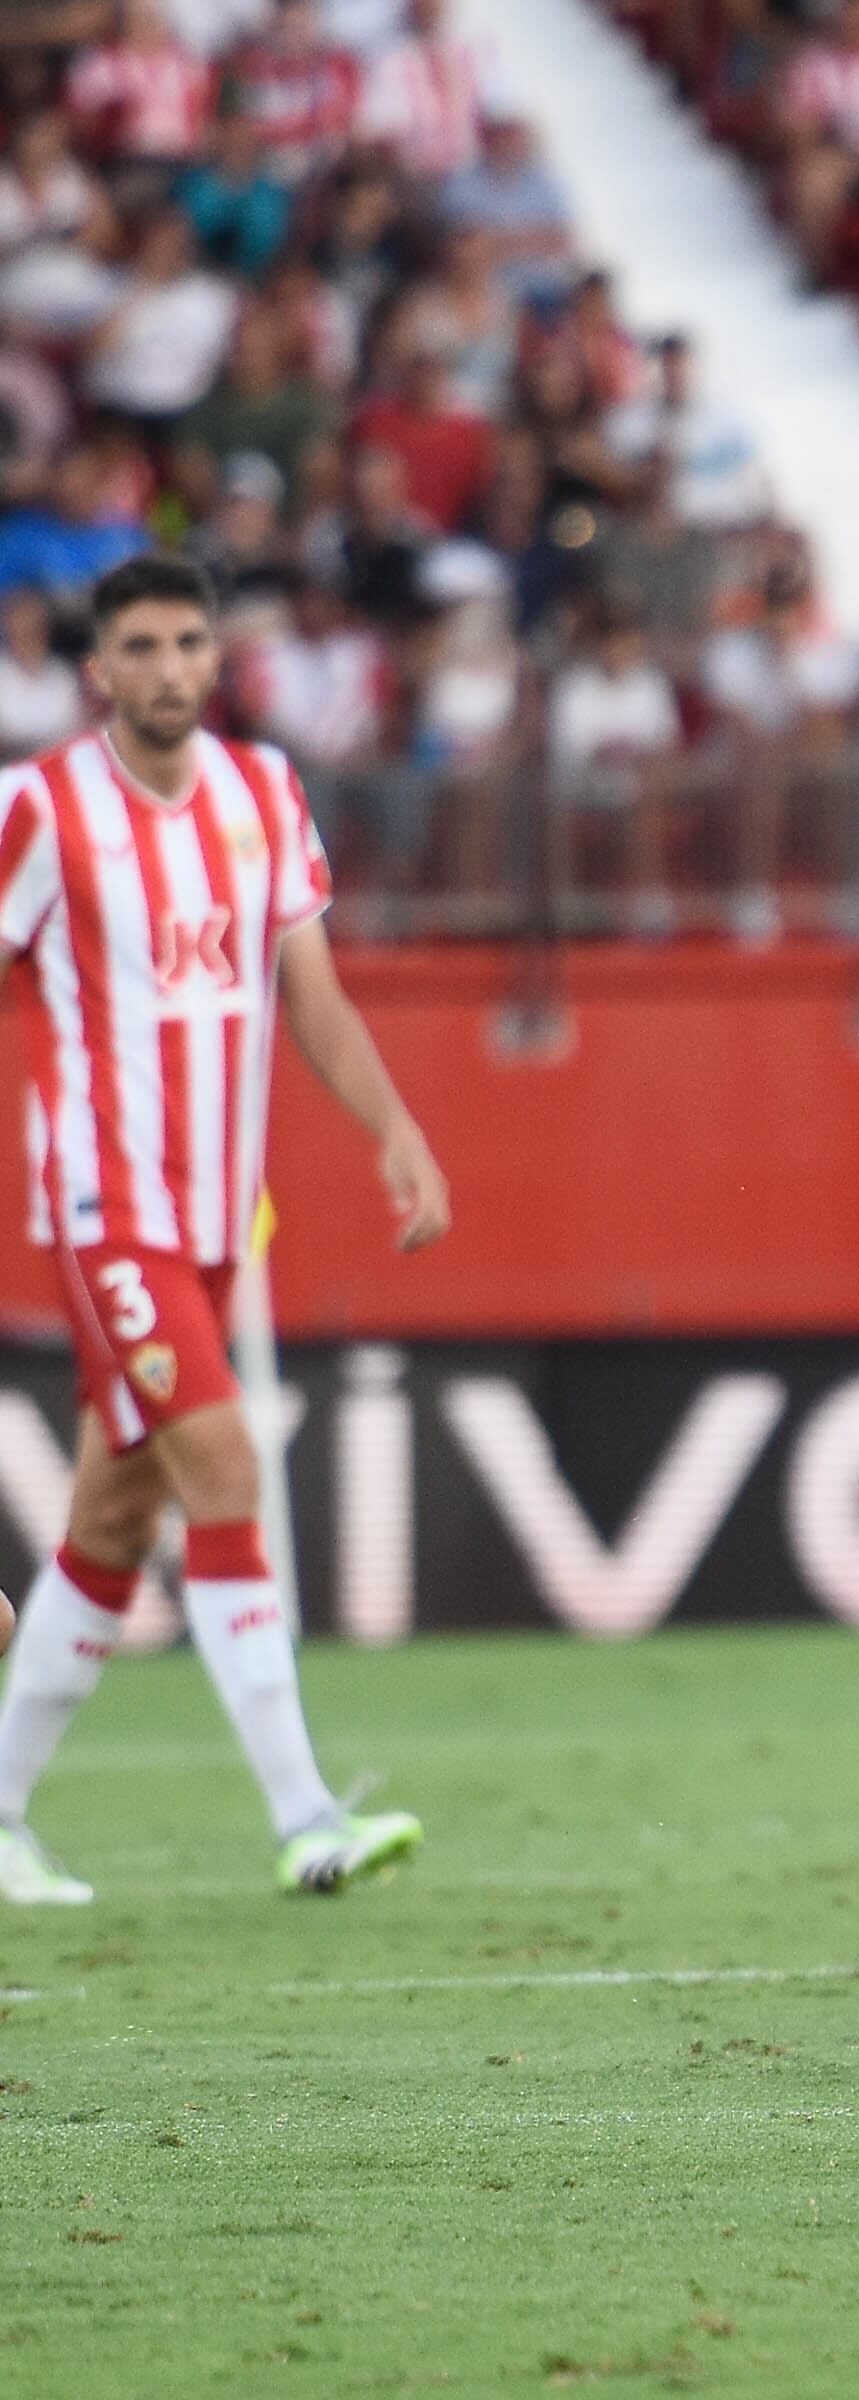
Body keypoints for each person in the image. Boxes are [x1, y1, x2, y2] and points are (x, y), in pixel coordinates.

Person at [0, 554, 449, 1906]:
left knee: (115, 1515)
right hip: (106, 1207)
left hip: (212, 1219)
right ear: (100, 670)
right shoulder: (44, 807)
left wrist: (395, 1127)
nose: (169, 667)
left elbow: (310, 991)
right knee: (225, 1462)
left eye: (189, 642)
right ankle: (307, 1819)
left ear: (217, 658)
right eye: (140, 646)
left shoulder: (264, 792)